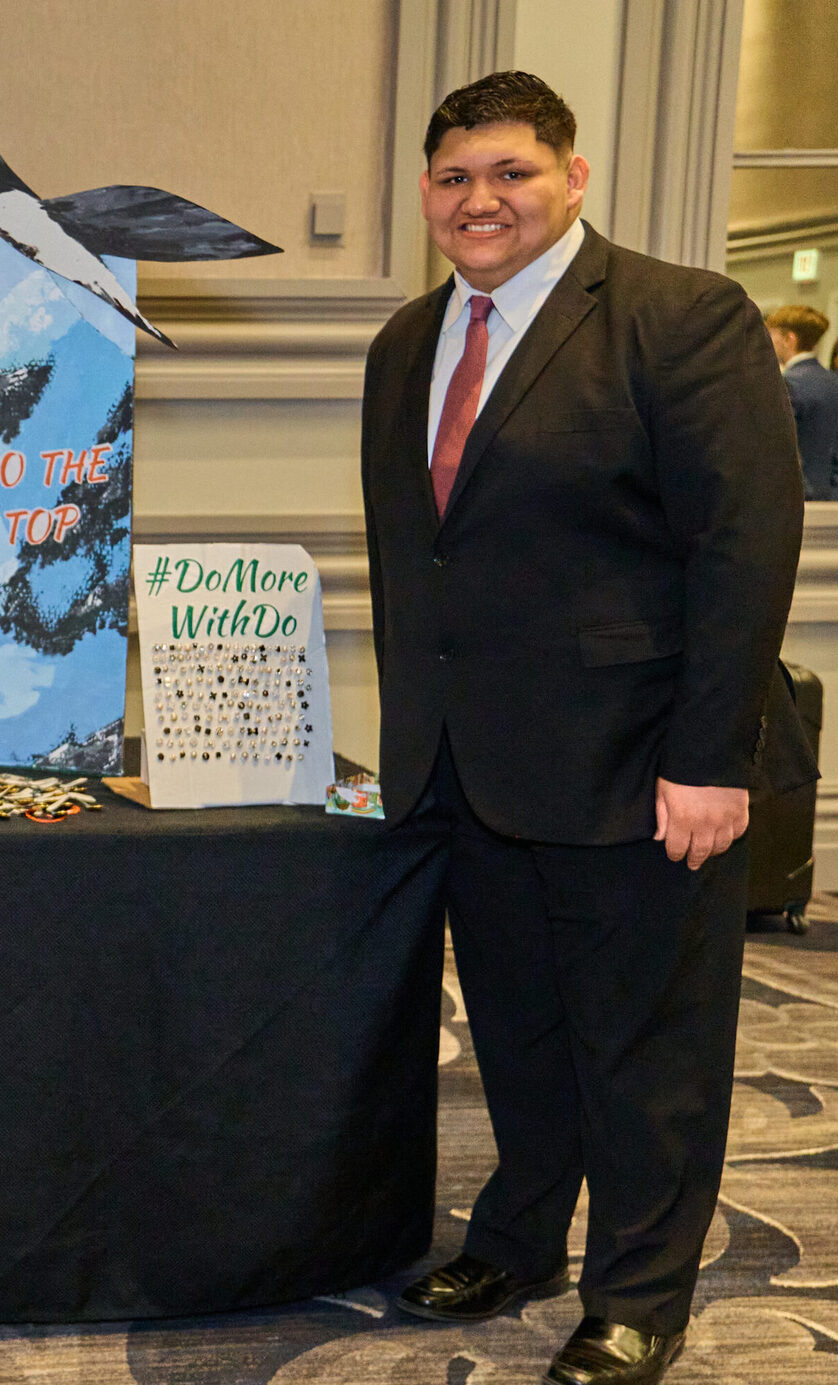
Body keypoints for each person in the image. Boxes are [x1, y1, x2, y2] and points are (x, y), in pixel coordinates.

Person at [361, 73, 813, 1384]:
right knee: (515, 1030)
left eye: (509, 171)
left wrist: (709, 759)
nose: (479, 199)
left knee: (645, 1049)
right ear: (426, 196)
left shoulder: (679, 317)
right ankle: (516, 1239)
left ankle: (637, 1292)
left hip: (637, 767)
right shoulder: (405, 341)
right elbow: (417, 560)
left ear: (571, 178)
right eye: (454, 178)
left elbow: (742, 548)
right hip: (466, 765)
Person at [765, 304, 838, 500]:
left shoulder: (786, 384)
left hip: (801, 497)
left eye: (772, 335)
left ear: (789, 339)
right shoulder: (833, 381)